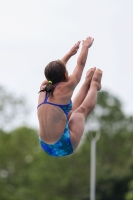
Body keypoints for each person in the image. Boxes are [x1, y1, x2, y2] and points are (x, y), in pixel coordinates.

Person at [37, 36, 102, 157]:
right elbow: (80, 64)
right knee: (79, 113)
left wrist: (69, 53)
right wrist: (85, 46)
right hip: (63, 145)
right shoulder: (68, 84)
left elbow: (56, 70)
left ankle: (87, 81)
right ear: (65, 73)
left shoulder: (44, 86)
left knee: (70, 111)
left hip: (45, 145)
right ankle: (94, 85)